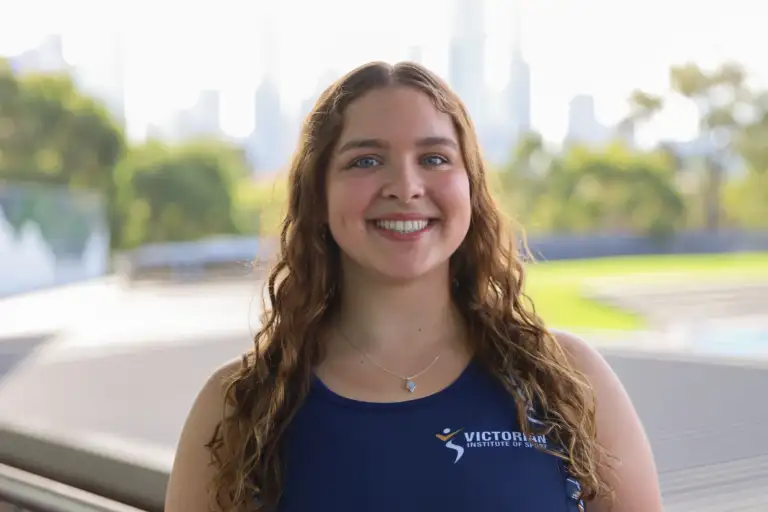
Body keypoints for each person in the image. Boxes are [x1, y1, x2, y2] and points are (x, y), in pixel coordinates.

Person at [165, 61, 663, 512]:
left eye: (434, 158)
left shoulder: (566, 381)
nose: (405, 187)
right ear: (317, 193)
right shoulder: (238, 406)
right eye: (365, 160)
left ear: (471, 187)